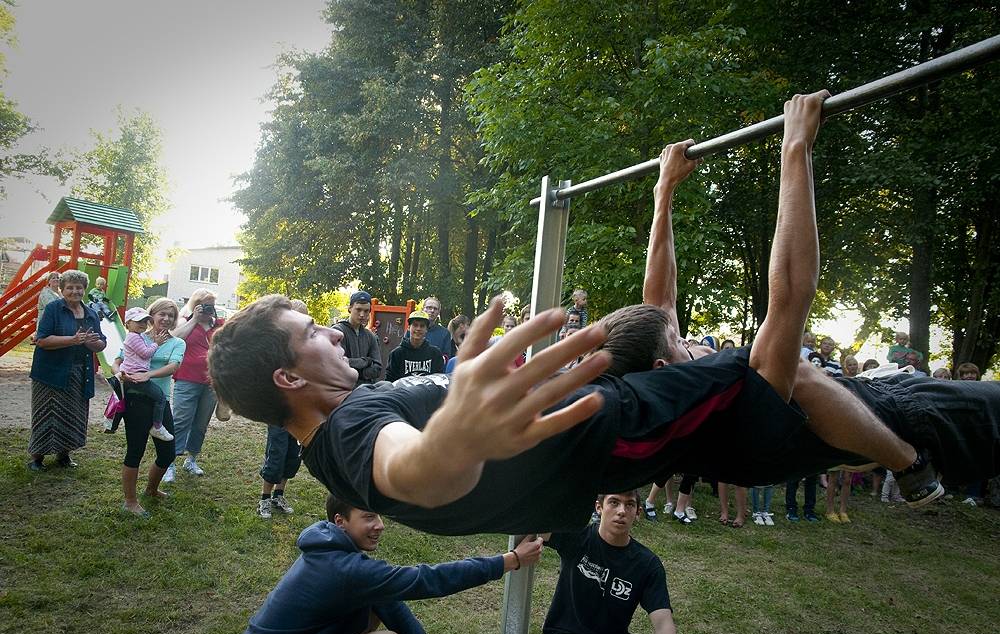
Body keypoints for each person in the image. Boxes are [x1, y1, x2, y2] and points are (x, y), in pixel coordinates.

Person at [209, 93, 998, 535]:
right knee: (780, 359)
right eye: (309, 334)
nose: (328, 332)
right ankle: (911, 465)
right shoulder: (352, 432)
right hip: (618, 432)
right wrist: (795, 152)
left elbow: (659, 313)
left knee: (755, 355)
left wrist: (662, 197)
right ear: (288, 376)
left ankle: (911, 457)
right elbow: (410, 469)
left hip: (610, 435)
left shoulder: (335, 430)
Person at [237, 494, 543, 634]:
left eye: (379, 516)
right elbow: (428, 580)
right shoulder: (345, 570)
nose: (380, 525)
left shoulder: (333, 551)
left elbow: (390, 602)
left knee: (378, 611)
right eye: (369, 517)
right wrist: (511, 560)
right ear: (340, 522)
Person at [538, 491, 678, 634]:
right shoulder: (577, 537)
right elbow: (535, 523)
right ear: (598, 507)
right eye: (614, 502)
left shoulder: (647, 563)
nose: (621, 511)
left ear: (638, 513)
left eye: (629, 505)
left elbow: (663, 624)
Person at [28, 269, 106, 470]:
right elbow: (42, 340)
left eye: (79, 287)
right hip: (51, 373)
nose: (74, 291)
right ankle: (37, 459)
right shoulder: (54, 309)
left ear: (84, 289)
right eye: (69, 287)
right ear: (62, 289)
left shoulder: (90, 313)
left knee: (73, 415)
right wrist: (72, 340)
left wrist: (91, 343)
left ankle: (64, 455)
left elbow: (101, 344)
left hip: (80, 374)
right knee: (45, 415)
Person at [118, 298, 186, 517]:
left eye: (170, 315)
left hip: (160, 401)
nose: (166, 319)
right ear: (152, 316)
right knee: (135, 450)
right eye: (161, 314)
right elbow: (118, 360)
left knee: (167, 453)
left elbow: (173, 366)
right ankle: (130, 501)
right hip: (136, 399)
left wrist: (148, 374)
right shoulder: (136, 336)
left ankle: (152, 489)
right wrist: (118, 372)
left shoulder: (177, 343)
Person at [165, 288, 223, 482]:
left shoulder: (217, 325)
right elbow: (174, 337)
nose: (209, 309)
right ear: (196, 304)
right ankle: (168, 463)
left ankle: (192, 458)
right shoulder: (185, 321)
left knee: (200, 424)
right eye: (205, 305)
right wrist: (195, 319)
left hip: (211, 382)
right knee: (181, 421)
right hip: (187, 379)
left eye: (211, 305)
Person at [120, 307, 175, 442]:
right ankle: (157, 426)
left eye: (145, 322)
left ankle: (157, 425)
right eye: (138, 321)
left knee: (158, 397)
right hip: (137, 375)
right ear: (128, 323)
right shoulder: (134, 337)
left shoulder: (136, 336)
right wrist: (156, 343)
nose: (142, 325)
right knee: (160, 398)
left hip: (135, 373)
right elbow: (146, 353)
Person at [333, 291, 383, 386]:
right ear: (350, 308)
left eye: (366, 311)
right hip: (342, 389)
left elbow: (377, 369)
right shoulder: (337, 332)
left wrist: (357, 372)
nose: (362, 314)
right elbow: (338, 363)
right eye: (358, 309)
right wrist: (367, 361)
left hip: (365, 390)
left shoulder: (370, 336)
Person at [386, 310, 444, 381]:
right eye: (415, 325)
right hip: (402, 391)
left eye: (422, 326)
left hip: (427, 391)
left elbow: (439, 381)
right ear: (409, 327)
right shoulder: (397, 354)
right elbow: (390, 382)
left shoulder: (435, 354)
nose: (418, 329)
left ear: (426, 329)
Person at [257, 425, 301, 519]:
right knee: (276, 457)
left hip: (297, 417)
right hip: (278, 418)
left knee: (293, 457)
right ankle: (265, 499)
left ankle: (278, 496)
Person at [33, 271, 62, 336]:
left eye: (58, 278)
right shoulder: (45, 293)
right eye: (53, 278)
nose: (56, 279)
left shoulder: (61, 293)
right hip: (46, 324)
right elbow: (52, 307)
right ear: (49, 281)